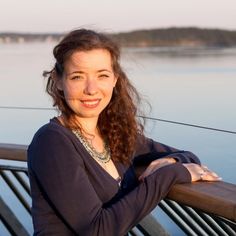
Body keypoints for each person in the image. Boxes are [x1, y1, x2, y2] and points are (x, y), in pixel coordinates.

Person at [27, 28, 221, 236]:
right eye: (77, 77)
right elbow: (96, 230)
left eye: (102, 75)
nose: (91, 89)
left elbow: (190, 158)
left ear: (114, 80)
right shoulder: (51, 142)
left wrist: (171, 162)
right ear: (58, 80)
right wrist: (169, 175)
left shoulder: (113, 135)